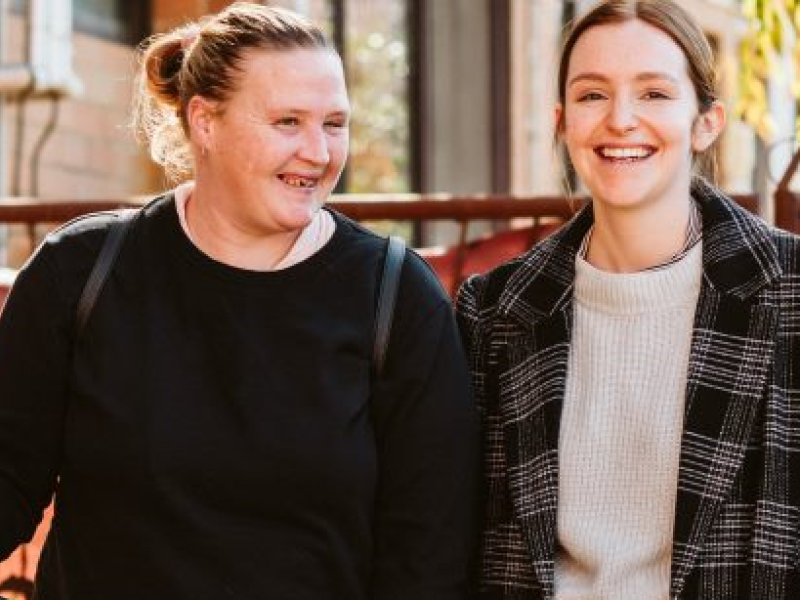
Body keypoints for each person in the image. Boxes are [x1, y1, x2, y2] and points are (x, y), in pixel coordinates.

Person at [0, 3, 479, 598]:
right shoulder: (80, 273)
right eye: (287, 122)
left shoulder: (396, 296)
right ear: (204, 121)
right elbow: (8, 481)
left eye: (334, 124)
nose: (319, 152)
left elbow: (429, 556)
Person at [456, 1, 800, 598]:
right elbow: (466, 533)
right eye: (592, 96)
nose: (620, 120)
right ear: (562, 122)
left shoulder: (790, 291)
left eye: (654, 94)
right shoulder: (494, 310)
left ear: (707, 122)